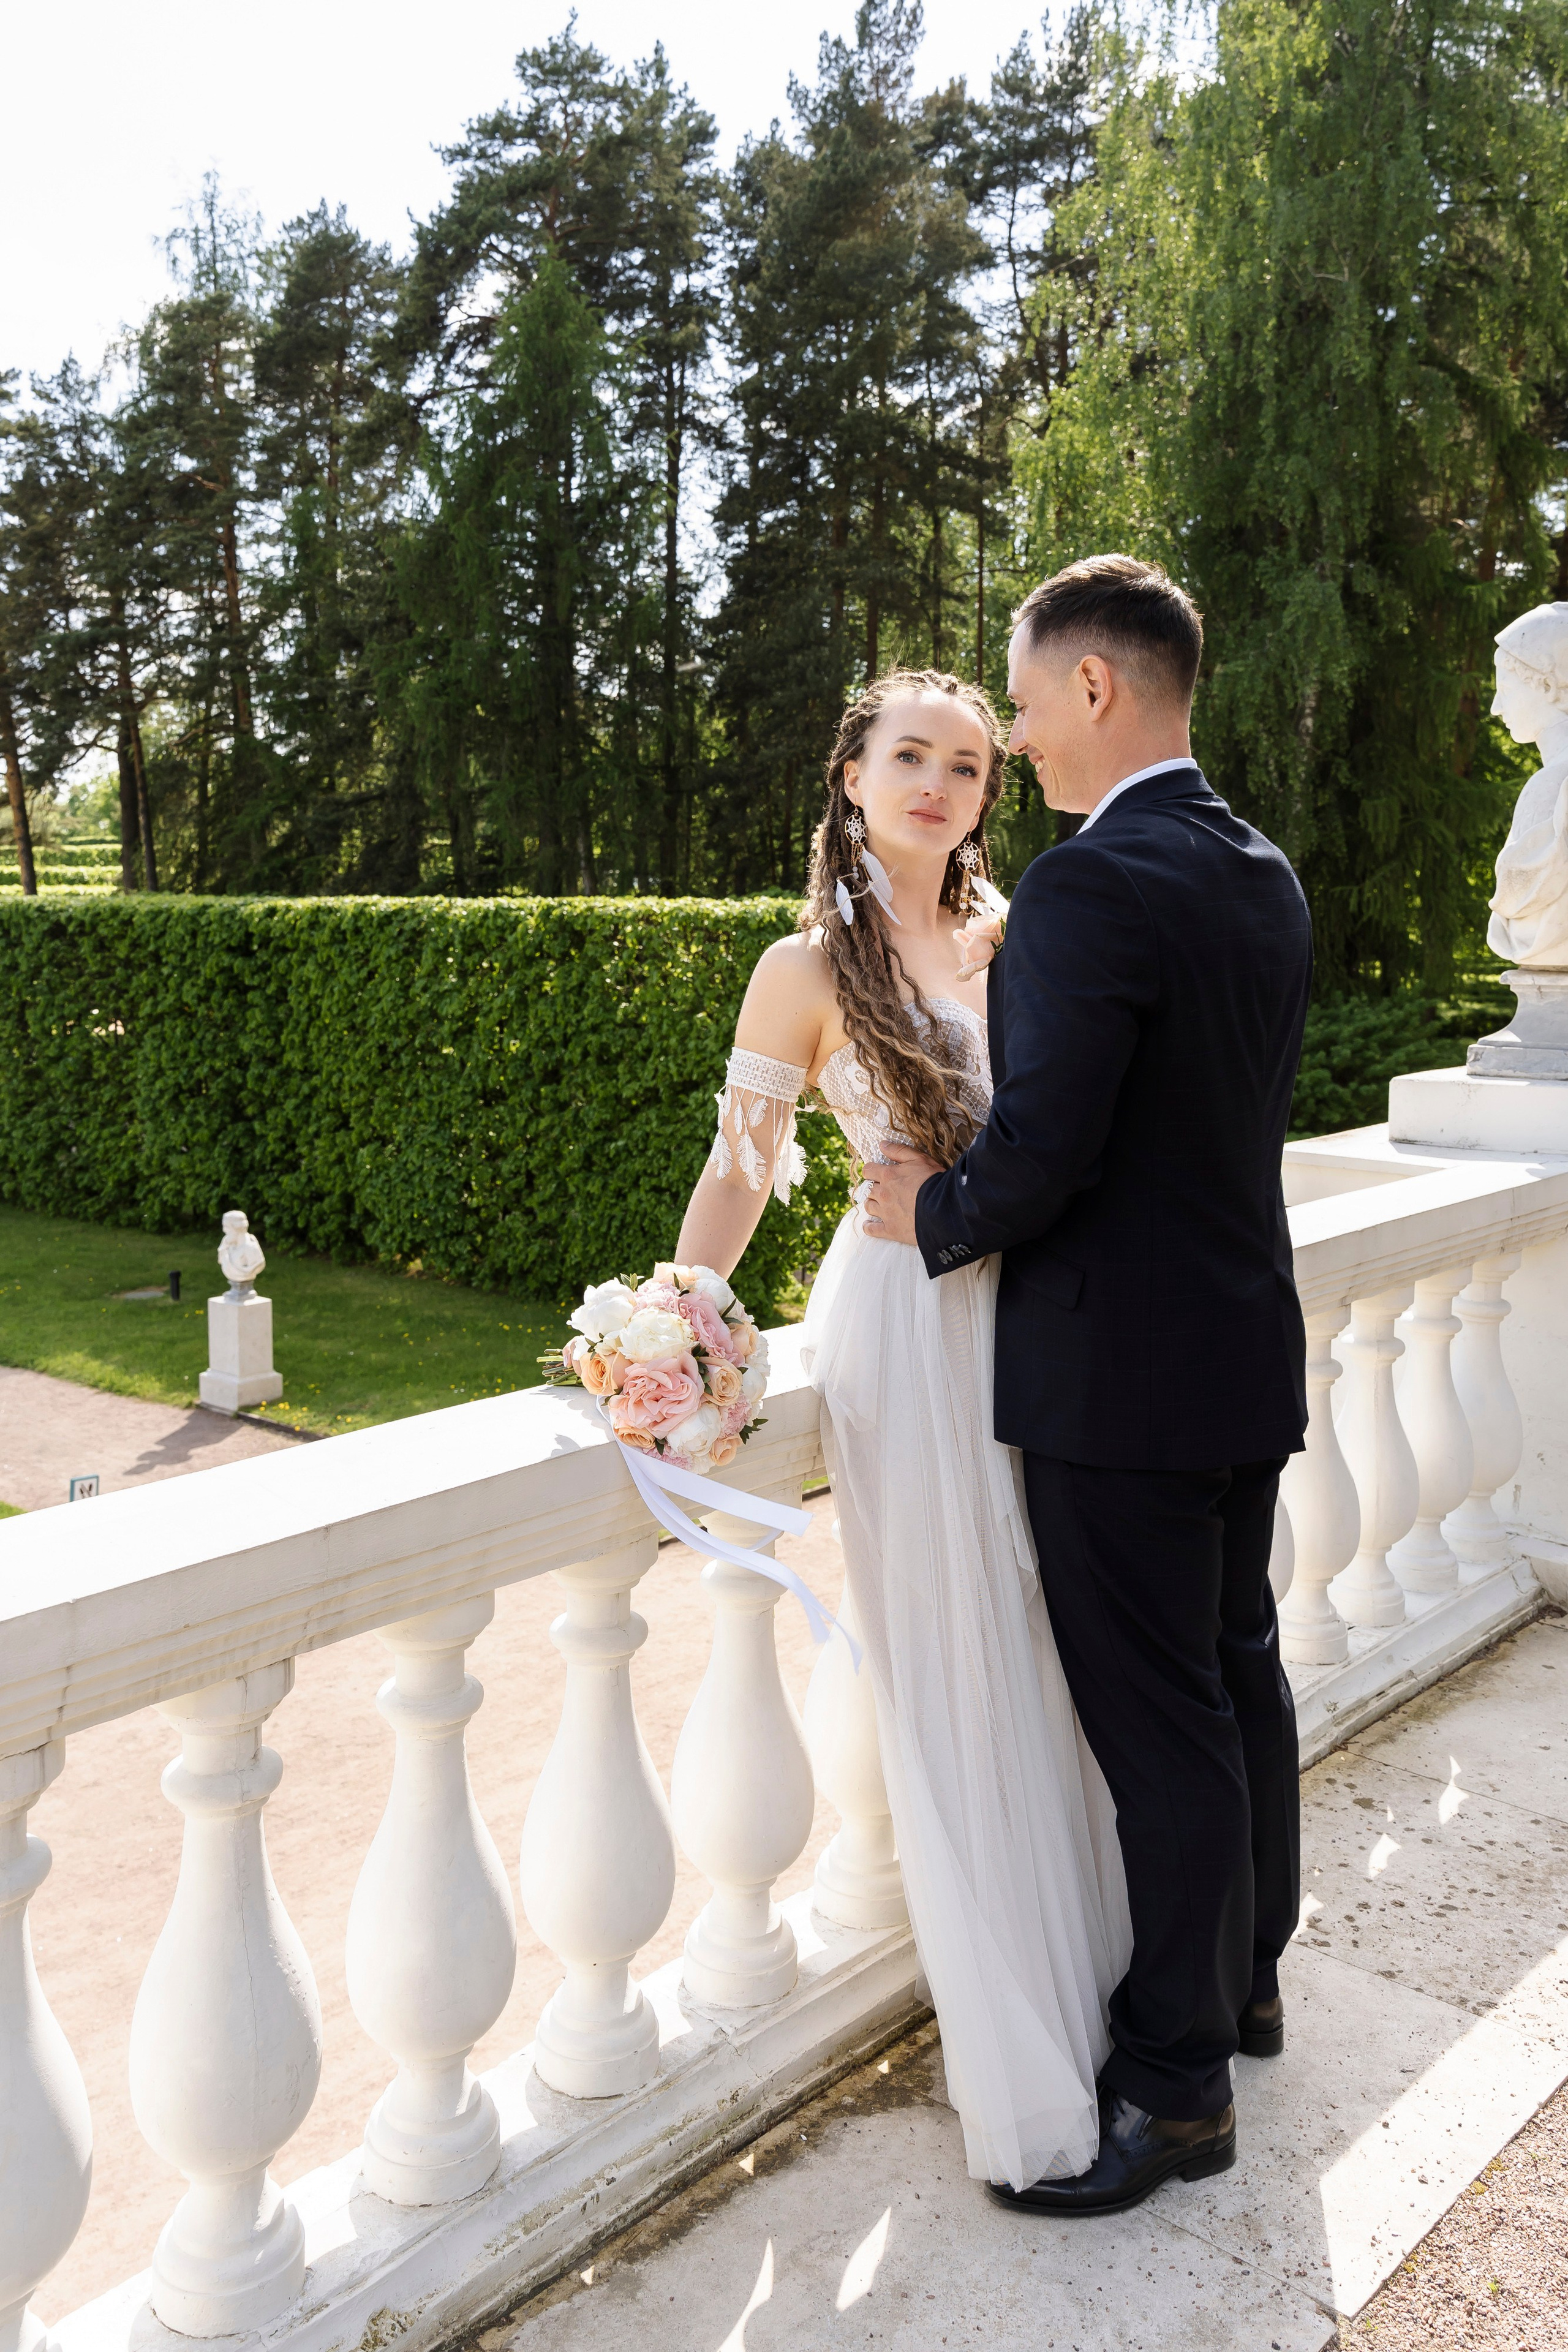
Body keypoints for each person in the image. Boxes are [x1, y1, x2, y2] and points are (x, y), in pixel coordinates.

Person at [867, 555, 1312, 2214]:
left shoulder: (1087, 885)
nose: (1024, 738)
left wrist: (934, 1211)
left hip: (1116, 1391)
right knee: (1235, 1672)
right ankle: (1249, 1983)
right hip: (1239, 1358)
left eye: (1032, 701)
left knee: (1164, 1721)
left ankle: (1180, 2081)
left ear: (1099, 689)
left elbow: (1045, 1155)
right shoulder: (1260, 870)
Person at [674, 664, 1133, 2196]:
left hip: (1036, 1315)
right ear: (851, 775)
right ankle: (1023, 2073)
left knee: (1054, 1642)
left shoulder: (1020, 941)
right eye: (908, 757)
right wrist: (674, 1320)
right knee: (949, 1663)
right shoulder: (801, 969)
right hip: (893, 1329)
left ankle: (1105, 1991)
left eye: (966, 764)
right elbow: (742, 1169)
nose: (939, 783)